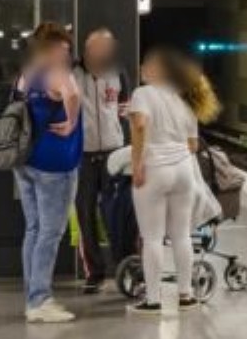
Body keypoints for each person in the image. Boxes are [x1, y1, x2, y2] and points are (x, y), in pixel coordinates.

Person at [128, 46, 221, 315]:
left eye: (147, 64)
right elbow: (193, 144)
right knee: (181, 236)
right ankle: (186, 296)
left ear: (159, 70)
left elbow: (140, 125)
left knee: (152, 238)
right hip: (183, 172)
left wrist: (137, 164)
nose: (142, 68)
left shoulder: (142, 94)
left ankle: (153, 300)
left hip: (154, 171)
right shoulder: (184, 97)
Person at [14, 22, 83, 324]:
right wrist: (72, 122)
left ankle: (32, 297)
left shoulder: (27, 75)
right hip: (55, 165)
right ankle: (40, 300)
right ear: (53, 48)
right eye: (65, 48)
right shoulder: (57, 73)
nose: (67, 55)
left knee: (33, 229)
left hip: (26, 161)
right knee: (50, 233)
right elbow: (72, 95)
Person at [72, 28, 131, 292]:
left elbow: (125, 106)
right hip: (82, 155)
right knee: (85, 214)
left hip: (113, 154)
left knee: (116, 214)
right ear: (88, 50)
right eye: (98, 49)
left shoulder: (118, 73)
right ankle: (94, 273)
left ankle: (125, 267)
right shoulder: (72, 74)